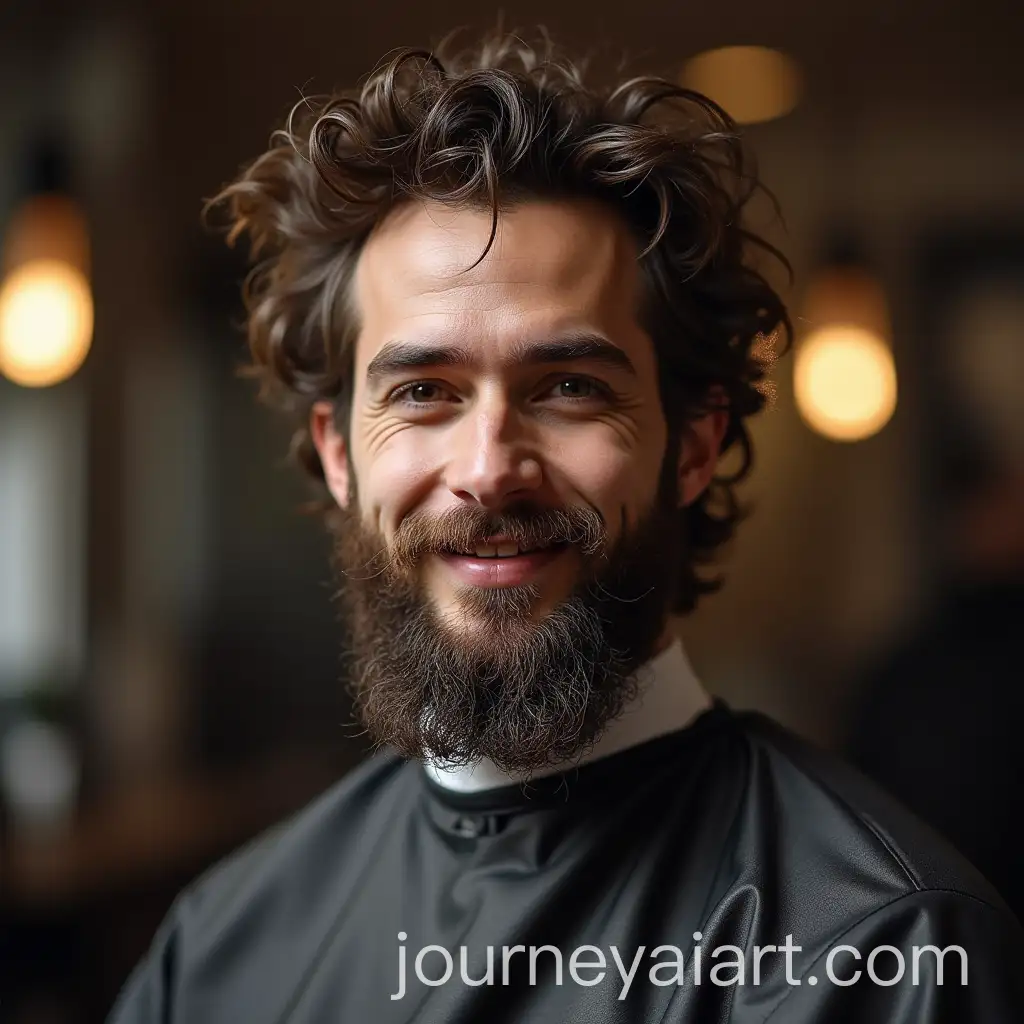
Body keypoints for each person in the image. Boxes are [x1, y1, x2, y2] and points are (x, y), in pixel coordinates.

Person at [109, 32, 1024, 1023]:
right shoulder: (220, 947)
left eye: (571, 387)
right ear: (339, 453)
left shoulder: (887, 952)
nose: (489, 466)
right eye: (424, 392)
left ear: (693, 444)